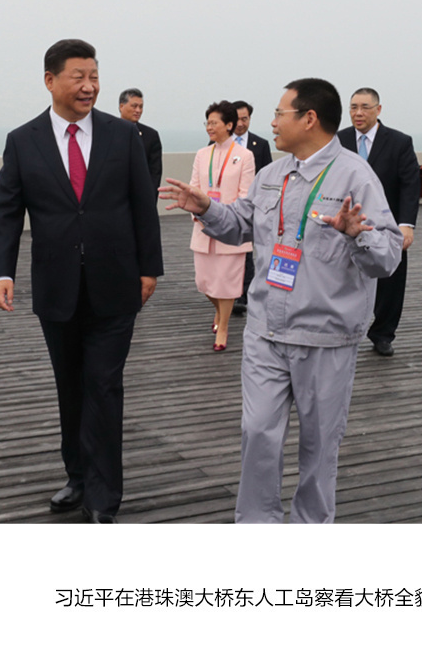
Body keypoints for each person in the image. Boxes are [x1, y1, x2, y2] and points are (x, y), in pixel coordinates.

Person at [161, 79, 402, 523]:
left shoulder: (356, 176)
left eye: (279, 113)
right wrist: (205, 207)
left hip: (325, 338)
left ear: (309, 118)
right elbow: (240, 224)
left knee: (319, 445)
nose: (270, 122)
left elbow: (387, 258)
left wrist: (358, 234)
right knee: (257, 433)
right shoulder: (272, 175)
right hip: (265, 333)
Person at [0, 39, 163, 524]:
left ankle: (104, 496)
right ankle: (78, 476)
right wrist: (2, 271)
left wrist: (150, 268)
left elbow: (142, 204)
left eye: (94, 77)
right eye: (78, 77)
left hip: (116, 282)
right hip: (57, 285)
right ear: (50, 80)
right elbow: (7, 211)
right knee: (70, 387)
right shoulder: (22, 141)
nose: (89, 86)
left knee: (103, 385)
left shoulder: (122, 135)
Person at [337, 88, 420, 357]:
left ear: (378, 109)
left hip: (387, 222)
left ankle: (383, 334)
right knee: (345, 275)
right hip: (348, 223)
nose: (358, 113)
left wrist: (406, 224)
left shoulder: (399, 142)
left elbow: (410, 185)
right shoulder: (338, 140)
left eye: (365, 107)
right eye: (353, 107)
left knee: (391, 281)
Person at [190, 100, 255, 351]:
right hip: (204, 226)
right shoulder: (202, 154)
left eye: (214, 123)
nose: (209, 127)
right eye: (207, 123)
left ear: (229, 125)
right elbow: (194, 187)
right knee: (204, 282)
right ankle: (219, 311)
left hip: (231, 230)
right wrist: (198, 213)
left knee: (226, 284)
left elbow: (245, 195)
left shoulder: (245, 156)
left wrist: (227, 219)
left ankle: (224, 327)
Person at [230, 100, 273, 316]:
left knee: (249, 250)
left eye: (245, 119)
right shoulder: (220, 142)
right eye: (237, 119)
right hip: (229, 205)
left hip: (254, 204)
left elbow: (268, 176)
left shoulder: (260, 144)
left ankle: (245, 294)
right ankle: (231, 291)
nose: (240, 123)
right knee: (232, 250)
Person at [118, 88, 163, 196]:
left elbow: (155, 173)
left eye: (141, 107)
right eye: (134, 106)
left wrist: (150, 199)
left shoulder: (151, 136)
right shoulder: (108, 132)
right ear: (121, 106)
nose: (138, 110)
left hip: (140, 196)